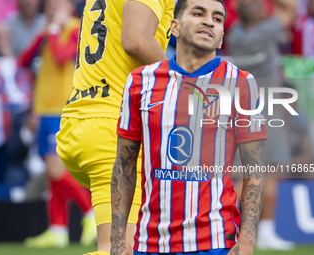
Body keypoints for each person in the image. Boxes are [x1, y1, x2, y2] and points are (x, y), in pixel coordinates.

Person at [111, 1, 266, 255]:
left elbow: (255, 169)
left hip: (216, 243)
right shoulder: (139, 81)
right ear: (175, 27)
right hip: (150, 244)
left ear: (220, 38)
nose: (209, 21)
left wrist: (247, 243)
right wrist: (117, 241)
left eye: (217, 19)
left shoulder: (242, 83)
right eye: (198, 13)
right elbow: (124, 164)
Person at [55, 0, 175, 254]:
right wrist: (182, 84)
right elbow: (136, 41)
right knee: (118, 249)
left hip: (84, 121)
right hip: (113, 128)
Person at [19, 0, 96, 248]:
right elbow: (24, 61)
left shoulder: (75, 27)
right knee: (52, 177)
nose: (52, 6)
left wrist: (53, 31)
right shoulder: (49, 28)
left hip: (62, 109)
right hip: (43, 110)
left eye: (57, 3)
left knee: (56, 170)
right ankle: (58, 229)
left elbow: (64, 57)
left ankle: (91, 213)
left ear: (68, 6)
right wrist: (44, 33)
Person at [227, 0, 297, 250]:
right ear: (259, 14)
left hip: (241, 111)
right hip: (268, 112)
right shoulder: (266, 30)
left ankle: (231, 229)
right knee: (270, 176)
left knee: (238, 177)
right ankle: (266, 231)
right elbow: (290, 8)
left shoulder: (235, 35)